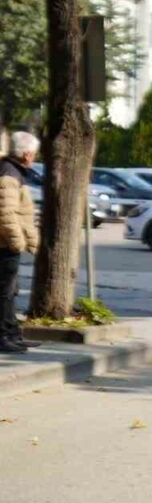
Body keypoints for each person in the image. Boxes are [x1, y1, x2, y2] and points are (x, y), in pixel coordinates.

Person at [0, 132, 43, 355]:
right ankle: (4, 336)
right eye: (34, 153)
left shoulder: (14, 171)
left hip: (7, 244)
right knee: (4, 292)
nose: (34, 157)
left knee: (10, 292)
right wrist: (17, 242)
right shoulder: (9, 173)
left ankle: (12, 333)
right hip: (5, 245)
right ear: (26, 154)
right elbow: (5, 213)